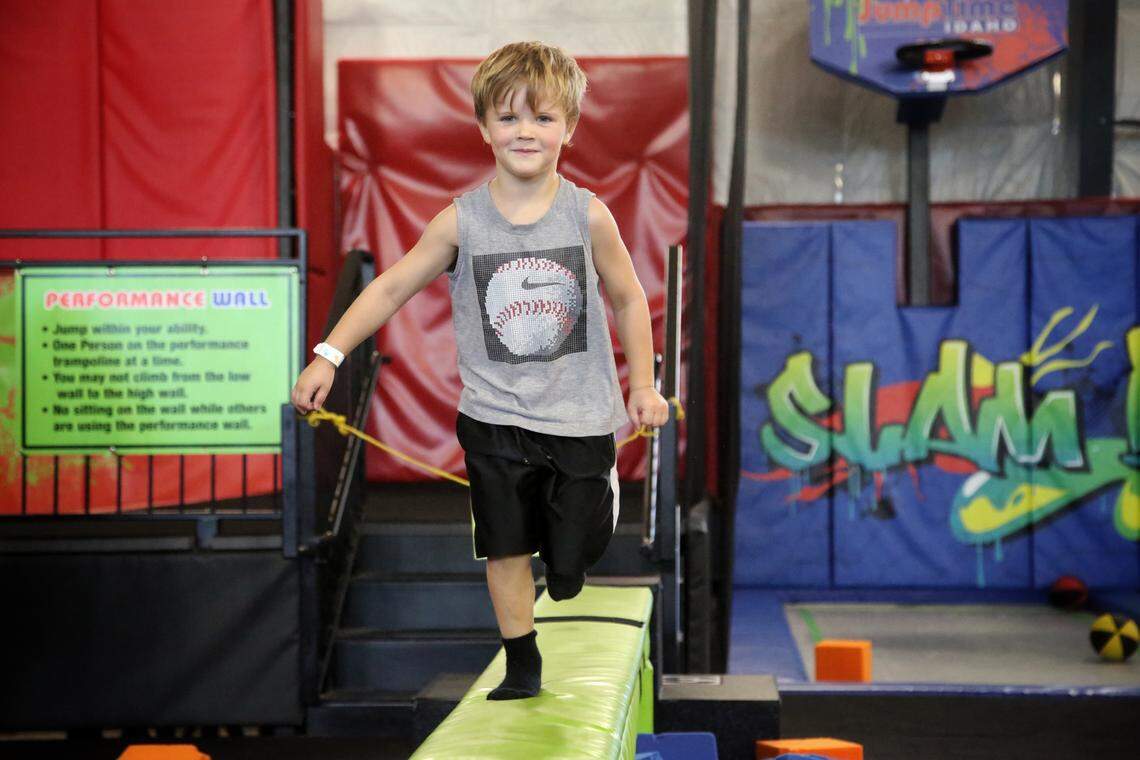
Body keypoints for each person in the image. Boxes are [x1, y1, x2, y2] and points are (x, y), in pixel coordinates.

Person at [291, 41, 669, 700]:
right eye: (509, 118)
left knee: (573, 555)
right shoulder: (461, 221)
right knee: (504, 546)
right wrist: (328, 354)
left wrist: (643, 385)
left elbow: (629, 296)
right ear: (484, 128)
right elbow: (387, 290)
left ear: (569, 130)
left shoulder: (588, 214)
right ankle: (522, 659)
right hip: (494, 417)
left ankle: (577, 546)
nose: (526, 132)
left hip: (579, 414)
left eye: (544, 119)